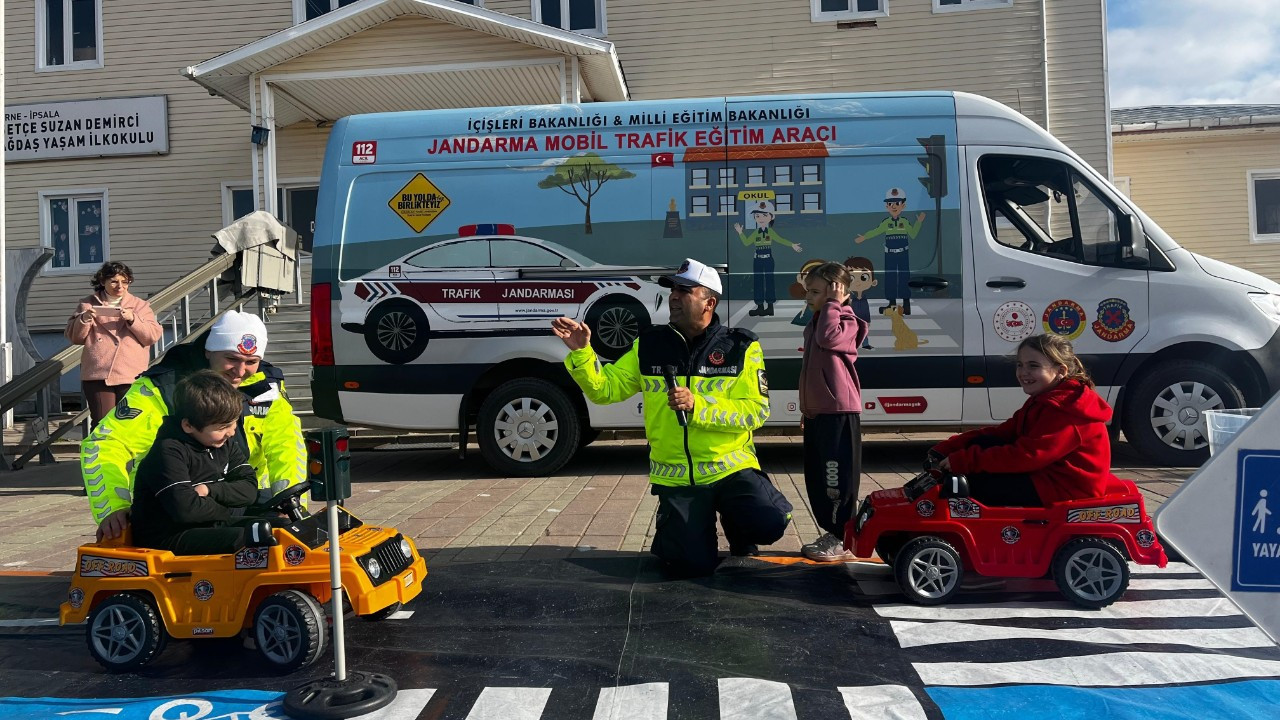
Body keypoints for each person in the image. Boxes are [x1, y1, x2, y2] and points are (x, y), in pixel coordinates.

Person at [553, 258, 793, 576]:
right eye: (673, 290)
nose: (674, 297)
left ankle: (739, 529)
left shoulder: (740, 347)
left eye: (684, 291)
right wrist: (582, 352)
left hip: (731, 470)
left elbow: (756, 412)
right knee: (690, 565)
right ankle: (678, 535)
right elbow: (605, 390)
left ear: (709, 302)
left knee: (770, 522)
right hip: (677, 480)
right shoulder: (649, 344)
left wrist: (698, 406)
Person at [82, 310, 306, 542]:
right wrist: (114, 507)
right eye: (231, 358)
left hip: (245, 496)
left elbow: (286, 445)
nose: (240, 372)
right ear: (209, 351)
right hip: (176, 506)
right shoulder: (162, 387)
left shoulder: (266, 386)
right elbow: (104, 445)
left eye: (251, 362)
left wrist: (291, 503)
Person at [929, 334, 1112, 506]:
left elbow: (1028, 456)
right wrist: (951, 447)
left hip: (1066, 488)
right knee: (983, 442)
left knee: (975, 485)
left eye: (1033, 366)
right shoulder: (1044, 400)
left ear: (1060, 371)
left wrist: (964, 461)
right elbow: (1003, 433)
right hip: (1046, 475)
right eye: (1020, 365)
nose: (1023, 372)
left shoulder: (1069, 410)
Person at [130, 370, 278, 555]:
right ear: (188, 426)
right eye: (223, 427)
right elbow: (186, 509)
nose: (231, 432)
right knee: (248, 540)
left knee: (280, 528)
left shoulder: (223, 443)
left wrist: (210, 490)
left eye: (234, 423)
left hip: (209, 522)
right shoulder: (168, 452)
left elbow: (249, 489)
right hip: (167, 535)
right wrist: (228, 510)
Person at [797, 263, 869, 562]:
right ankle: (833, 532)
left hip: (839, 412)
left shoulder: (847, 321)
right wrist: (808, 408)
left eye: (815, 292)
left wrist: (833, 305)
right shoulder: (818, 321)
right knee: (818, 479)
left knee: (837, 480)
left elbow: (829, 338)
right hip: (820, 412)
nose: (808, 297)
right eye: (808, 291)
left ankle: (842, 536)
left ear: (837, 292)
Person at [65, 262, 163, 426]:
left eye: (125, 282)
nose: (120, 286)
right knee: (103, 424)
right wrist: (84, 319)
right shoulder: (87, 304)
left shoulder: (139, 305)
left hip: (131, 374)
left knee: (129, 425)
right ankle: (99, 445)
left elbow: (152, 336)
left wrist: (133, 319)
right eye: (114, 281)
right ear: (102, 281)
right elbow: (75, 337)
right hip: (98, 374)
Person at [854, 188, 925, 316]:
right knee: (890, 277)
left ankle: (906, 304)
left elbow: (913, 234)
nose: (893, 206)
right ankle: (892, 303)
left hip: (903, 253)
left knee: (904, 277)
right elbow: (876, 231)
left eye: (897, 203)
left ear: (903, 205)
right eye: (890, 203)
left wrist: (919, 222)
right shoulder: (886, 223)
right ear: (886, 206)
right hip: (890, 254)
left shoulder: (904, 222)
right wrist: (864, 237)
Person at [735, 200, 803, 317]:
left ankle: (770, 307)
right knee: (758, 282)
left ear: (771, 217)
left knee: (769, 282)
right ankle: (760, 306)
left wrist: (791, 244)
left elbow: (780, 239)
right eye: (757, 216)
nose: (760, 218)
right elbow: (746, 242)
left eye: (764, 215)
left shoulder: (770, 232)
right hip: (757, 260)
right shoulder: (756, 232)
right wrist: (741, 233)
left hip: (768, 259)